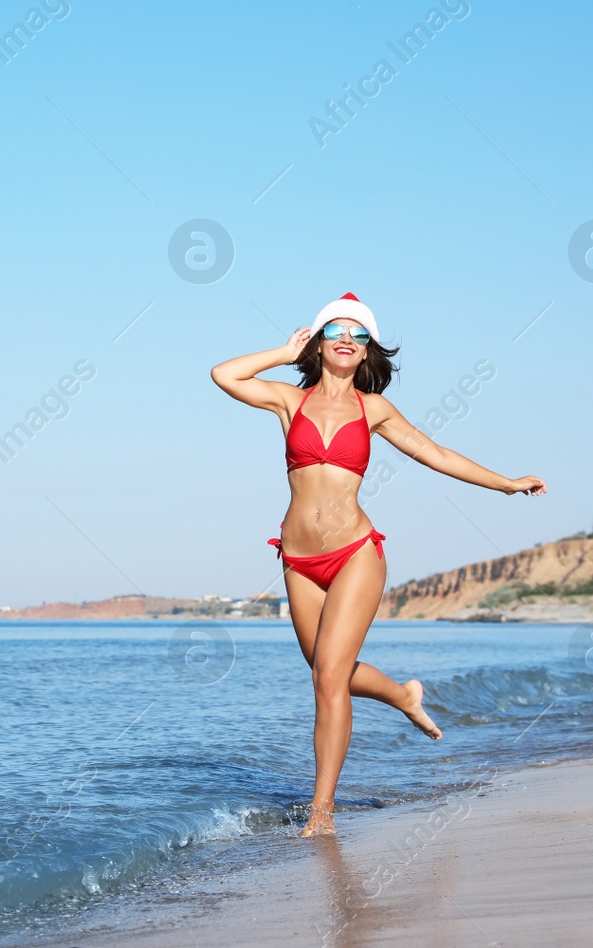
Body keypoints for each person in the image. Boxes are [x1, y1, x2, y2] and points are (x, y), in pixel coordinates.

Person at [210, 293, 547, 837]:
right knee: (326, 674)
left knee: (329, 681)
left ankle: (322, 812)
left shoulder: (374, 410)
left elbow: (437, 454)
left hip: (355, 554)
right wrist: (281, 350)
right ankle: (403, 695)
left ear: (368, 352)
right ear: (319, 343)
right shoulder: (288, 402)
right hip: (297, 560)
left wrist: (506, 483)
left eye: (358, 334)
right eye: (335, 331)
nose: (347, 339)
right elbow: (223, 374)